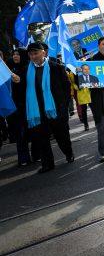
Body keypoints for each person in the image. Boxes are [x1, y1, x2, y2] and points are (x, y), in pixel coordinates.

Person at [17, 42, 74, 173]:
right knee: (41, 138)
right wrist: (17, 81)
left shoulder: (57, 68)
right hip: (37, 111)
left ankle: (68, 153)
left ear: (44, 52)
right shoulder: (26, 71)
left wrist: (63, 106)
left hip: (55, 110)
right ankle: (47, 164)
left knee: (62, 136)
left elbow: (66, 88)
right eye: (30, 54)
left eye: (35, 53)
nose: (33, 56)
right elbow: (22, 89)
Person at [6, 49, 31, 166]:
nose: (15, 56)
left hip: (28, 105)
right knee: (19, 133)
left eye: (18, 54)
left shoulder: (29, 68)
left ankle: (36, 155)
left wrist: (20, 80)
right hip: (16, 107)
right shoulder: (11, 69)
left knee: (31, 131)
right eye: (14, 54)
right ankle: (23, 158)